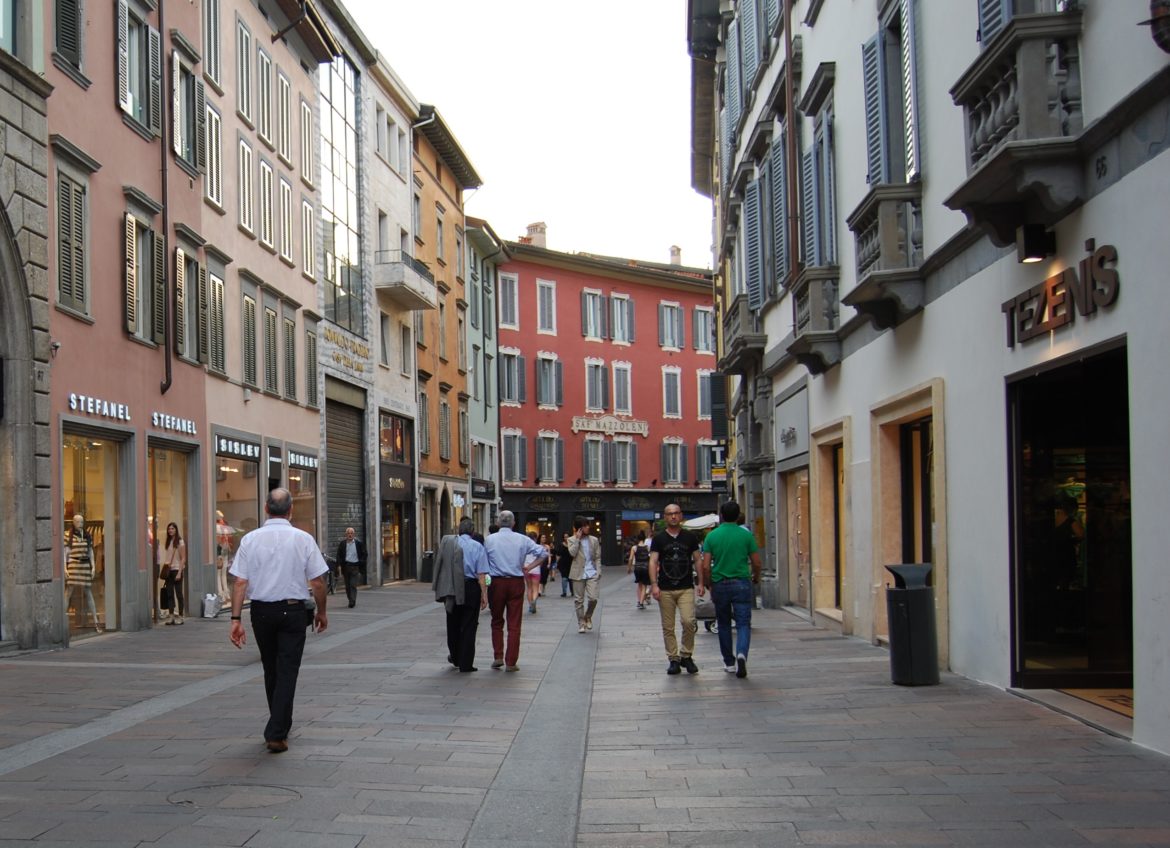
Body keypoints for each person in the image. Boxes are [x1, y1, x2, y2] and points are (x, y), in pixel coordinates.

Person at [228, 488, 329, 753]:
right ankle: (277, 730)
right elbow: (317, 582)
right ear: (291, 510)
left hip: (261, 612)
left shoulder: (250, 540)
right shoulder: (303, 539)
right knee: (287, 670)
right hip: (293, 612)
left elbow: (240, 582)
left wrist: (235, 618)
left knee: (271, 669)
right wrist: (322, 611)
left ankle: (278, 724)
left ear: (265, 508)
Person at [698, 501, 761, 679]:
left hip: (720, 583)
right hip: (741, 581)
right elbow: (756, 562)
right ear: (738, 514)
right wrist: (756, 576)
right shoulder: (746, 535)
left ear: (722, 516)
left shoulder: (712, 536)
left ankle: (729, 662)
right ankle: (742, 653)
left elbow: (705, 565)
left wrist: (709, 583)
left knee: (724, 623)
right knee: (743, 623)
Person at [483, 510, 546, 671]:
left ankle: (498, 656)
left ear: (498, 523)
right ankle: (511, 661)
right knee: (514, 623)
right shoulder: (522, 539)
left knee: (496, 620)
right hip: (516, 582)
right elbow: (543, 553)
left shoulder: (489, 540)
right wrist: (529, 567)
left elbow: (483, 562)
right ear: (513, 523)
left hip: (496, 582)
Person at [649, 505, 702, 675]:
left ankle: (686, 654)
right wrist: (654, 584)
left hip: (686, 586)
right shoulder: (659, 539)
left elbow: (698, 560)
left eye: (676, 513)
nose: (673, 517)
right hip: (665, 588)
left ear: (681, 516)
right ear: (665, 517)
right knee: (668, 626)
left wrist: (701, 582)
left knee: (688, 621)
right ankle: (673, 659)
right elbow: (653, 562)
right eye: (670, 514)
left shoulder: (690, 537)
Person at [434, 517, 489, 672]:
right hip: (471, 587)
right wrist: (484, 595)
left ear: (458, 530)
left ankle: (455, 656)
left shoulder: (450, 544)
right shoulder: (477, 546)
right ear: (472, 532)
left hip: (452, 586)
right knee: (469, 625)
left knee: (452, 622)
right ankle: (466, 663)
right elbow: (481, 574)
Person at [65, 513, 101, 633]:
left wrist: (93, 567)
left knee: (88, 592)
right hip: (74, 565)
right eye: (77, 522)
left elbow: (90, 551)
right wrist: (65, 568)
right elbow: (65, 553)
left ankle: (96, 621)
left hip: (85, 565)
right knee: (68, 592)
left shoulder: (87, 535)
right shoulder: (67, 536)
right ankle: (62, 620)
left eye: (81, 522)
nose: (80, 524)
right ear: (73, 523)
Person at [567, 516, 602, 634]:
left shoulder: (594, 540)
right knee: (579, 600)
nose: (588, 527)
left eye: (588, 525)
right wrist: (577, 539)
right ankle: (581, 623)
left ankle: (588, 616)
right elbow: (572, 553)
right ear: (579, 528)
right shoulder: (571, 540)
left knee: (593, 598)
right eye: (585, 525)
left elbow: (597, 557)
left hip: (592, 572)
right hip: (578, 573)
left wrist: (598, 571)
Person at [159, 522, 187, 625]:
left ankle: (180, 616)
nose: (170, 530)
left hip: (177, 570)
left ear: (176, 530)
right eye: (169, 529)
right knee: (169, 594)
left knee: (179, 594)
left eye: (172, 529)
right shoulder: (168, 541)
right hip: (169, 571)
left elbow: (183, 558)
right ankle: (171, 616)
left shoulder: (180, 542)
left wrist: (180, 572)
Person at [335, 527, 367, 609]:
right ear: (346, 534)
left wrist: (361, 562)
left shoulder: (358, 543)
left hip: (355, 567)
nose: (350, 535)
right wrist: (339, 565)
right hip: (346, 566)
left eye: (351, 533)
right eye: (348, 533)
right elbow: (338, 555)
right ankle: (350, 599)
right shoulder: (342, 544)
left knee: (353, 585)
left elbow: (365, 553)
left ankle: (352, 601)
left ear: (354, 534)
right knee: (347, 586)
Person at [627, 530, 653, 609]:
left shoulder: (634, 548)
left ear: (637, 539)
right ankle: (641, 603)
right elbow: (651, 558)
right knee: (644, 585)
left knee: (639, 585)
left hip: (637, 568)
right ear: (644, 539)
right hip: (645, 568)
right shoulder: (647, 547)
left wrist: (629, 568)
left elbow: (631, 558)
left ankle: (639, 601)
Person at [215, 511, 234, 603]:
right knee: (222, 574)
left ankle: (223, 594)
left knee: (220, 574)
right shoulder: (224, 527)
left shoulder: (218, 527)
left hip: (222, 551)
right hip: (223, 551)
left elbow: (219, 542)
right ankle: (224, 593)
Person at [524, 531, 544, 614]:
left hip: (526, 569)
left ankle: (530, 605)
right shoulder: (539, 547)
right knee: (535, 588)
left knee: (529, 588)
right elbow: (541, 560)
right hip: (536, 570)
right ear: (536, 538)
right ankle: (534, 601)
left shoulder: (525, 548)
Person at [554, 532, 573, 597]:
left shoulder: (572, 544)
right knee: (564, 577)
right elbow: (558, 555)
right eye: (565, 537)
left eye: (567, 536)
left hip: (571, 563)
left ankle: (572, 591)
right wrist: (556, 563)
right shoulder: (561, 545)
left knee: (571, 578)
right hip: (563, 563)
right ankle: (564, 592)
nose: (566, 538)